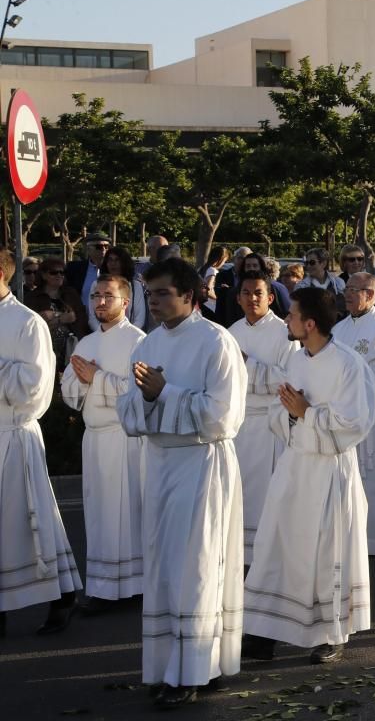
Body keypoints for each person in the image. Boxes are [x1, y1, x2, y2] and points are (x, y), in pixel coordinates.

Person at [117, 258, 247, 707]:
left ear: (190, 296)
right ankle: (166, 665)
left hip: (201, 462)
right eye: (150, 295)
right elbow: (130, 410)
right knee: (164, 566)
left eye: (163, 294)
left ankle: (195, 670)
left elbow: (223, 418)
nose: (153, 302)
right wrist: (151, 398)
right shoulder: (147, 345)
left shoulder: (217, 342)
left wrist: (164, 394)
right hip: (160, 462)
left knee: (197, 564)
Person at [241, 288, 375, 666]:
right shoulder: (297, 360)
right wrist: (290, 412)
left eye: (293, 314)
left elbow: (356, 424)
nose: (287, 319)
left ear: (310, 323)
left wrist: (306, 412)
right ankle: (264, 632)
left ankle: (330, 633)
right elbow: (277, 409)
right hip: (295, 465)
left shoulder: (348, 364)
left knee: (325, 553)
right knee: (276, 547)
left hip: (330, 471)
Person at [0, 249, 81, 639]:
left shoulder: (27, 323)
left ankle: (62, 594)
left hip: (13, 432)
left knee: (33, 518)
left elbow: (34, 387)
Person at [61, 274, 146, 612]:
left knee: (127, 514)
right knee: (99, 515)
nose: (99, 302)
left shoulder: (139, 341)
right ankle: (102, 586)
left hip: (124, 438)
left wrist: (96, 378)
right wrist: (83, 383)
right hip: (94, 438)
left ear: (125, 302)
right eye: (95, 295)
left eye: (107, 296)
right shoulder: (85, 343)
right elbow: (69, 393)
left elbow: (141, 393)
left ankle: (134, 586)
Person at [227, 274, 297, 564]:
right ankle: (238, 557)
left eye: (258, 293)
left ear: (270, 298)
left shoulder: (285, 333)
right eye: (246, 292)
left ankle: (268, 557)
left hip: (270, 425)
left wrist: (248, 366)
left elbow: (291, 378)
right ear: (238, 298)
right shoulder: (230, 332)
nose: (252, 298)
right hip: (239, 424)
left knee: (268, 495)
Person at [331, 272, 375, 556]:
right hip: (344, 415)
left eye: (354, 289)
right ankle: (350, 539)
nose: (347, 294)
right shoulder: (340, 327)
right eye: (346, 288)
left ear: (371, 295)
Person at [26, 256, 90, 371]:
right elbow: (33, 327)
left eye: (62, 272)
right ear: (44, 275)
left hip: (72, 349)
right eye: (54, 272)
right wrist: (62, 318)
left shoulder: (71, 293)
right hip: (45, 351)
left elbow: (79, 318)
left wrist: (54, 316)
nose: (59, 275)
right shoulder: (33, 297)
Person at [90, 246, 147, 331]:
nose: (113, 263)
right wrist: (103, 333)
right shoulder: (96, 285)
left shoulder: (136, 286)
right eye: (110, 260)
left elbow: (140, 317)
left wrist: (127, 335)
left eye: (117, 260)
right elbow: (92, 316)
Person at [67, 231, 111, 298]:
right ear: (88, 249)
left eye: (106, 246)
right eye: (99, 247)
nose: (104, 249)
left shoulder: (114, 268)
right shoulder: (74, 268)